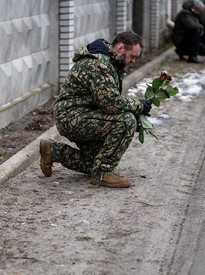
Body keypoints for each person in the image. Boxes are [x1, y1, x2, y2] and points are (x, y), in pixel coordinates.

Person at [38, 31, 150, 188]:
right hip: (72, 117)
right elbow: (111, 103)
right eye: (132, 56)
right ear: (120, 48)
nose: (133, 61)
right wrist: (138, 106)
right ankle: (102, 174)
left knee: (95, 162)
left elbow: (108, 99)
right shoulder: (99, 64)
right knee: (126, 121)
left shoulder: (111, 62)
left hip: (84, 115)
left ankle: (54, 151)